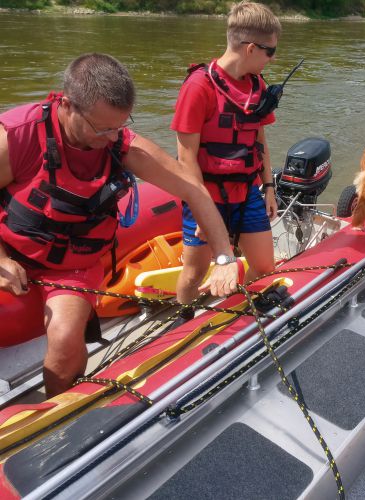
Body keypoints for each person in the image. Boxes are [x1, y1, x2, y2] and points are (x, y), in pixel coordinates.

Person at [0, 53, 239, 398]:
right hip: (11, 251)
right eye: (103, 128)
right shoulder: (17, 137)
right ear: (67, 105)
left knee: (66, 340)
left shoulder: (122, 146)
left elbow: (194, 191)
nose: (113, 137)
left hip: (72, 266)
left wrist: (223, 258)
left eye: (120, 126)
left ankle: (55, 415)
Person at [171, 1, 281, 323]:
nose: (273, 59)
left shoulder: (257, 85)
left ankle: (230, 308)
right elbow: (185, 157)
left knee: (264, 267)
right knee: (193, 272)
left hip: (246, 191)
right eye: (270, 52)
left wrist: (269, 187)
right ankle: (185, 318)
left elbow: (259, 139)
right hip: (206, 193)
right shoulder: (198, 87)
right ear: (250, 48)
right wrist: (204, 207)